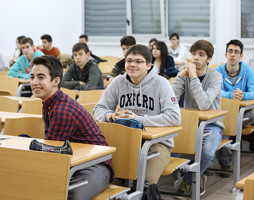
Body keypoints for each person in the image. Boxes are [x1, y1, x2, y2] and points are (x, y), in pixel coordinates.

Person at [93, 44, 181, 185]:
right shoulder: (118, 82)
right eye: (129, 61)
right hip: (124, 141)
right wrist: (111, 116)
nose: (132, 65)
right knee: (108, 178)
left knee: (144, 182)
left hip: (156, 144)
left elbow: (174, 118)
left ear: (148, 65)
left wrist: (137, 119)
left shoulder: (161, 83)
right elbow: (98, 110)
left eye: (138, 61)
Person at [30, 55, 113, 200]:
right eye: (32, 77)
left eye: (41, 77)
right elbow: (52, 148)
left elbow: (52, 153)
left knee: (69, 196)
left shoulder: (63, 110)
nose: (34, 82)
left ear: (56, 81)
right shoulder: (49, 102)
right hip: (72, 162)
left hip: (94, 166)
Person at [172, 40, 224, 196]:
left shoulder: (215, 77)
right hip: (188, 123)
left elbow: (204, 105)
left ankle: (189, 179)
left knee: (207, 152)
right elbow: (170, 100)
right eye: (193, 54)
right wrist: (180, 77)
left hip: (211, 124)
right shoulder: (184, 75)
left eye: (201, 55)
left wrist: (193, 77)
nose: (195, 58)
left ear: (209, 59)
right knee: (169, 148)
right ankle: (196, 174)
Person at [215, 39, 254, 177]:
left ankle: (234, 130)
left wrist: (242, 95)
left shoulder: (248, 71)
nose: (232, 55)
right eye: (230, 51)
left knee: (252, 115)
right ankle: (225, 162)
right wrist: (230, 95)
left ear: (241, 56)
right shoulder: (217, 72)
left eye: (236, 52)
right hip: (224, 110)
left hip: (243, 111)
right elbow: (214, 91)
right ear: (225, 54)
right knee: (224, 122)